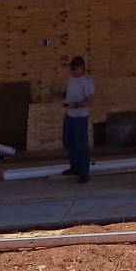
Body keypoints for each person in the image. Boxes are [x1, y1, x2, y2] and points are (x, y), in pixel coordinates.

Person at [61, 55, 94, 183]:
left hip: (80, 117)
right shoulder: (71, 79)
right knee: (68, 141)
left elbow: (90, 100)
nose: (72, 71)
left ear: (81, 68)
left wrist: (75, 105)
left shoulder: (87, 81)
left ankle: (84, 173)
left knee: (81, 144)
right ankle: (74, 167)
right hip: (69, 115)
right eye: (71, 69)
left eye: (74, 69)